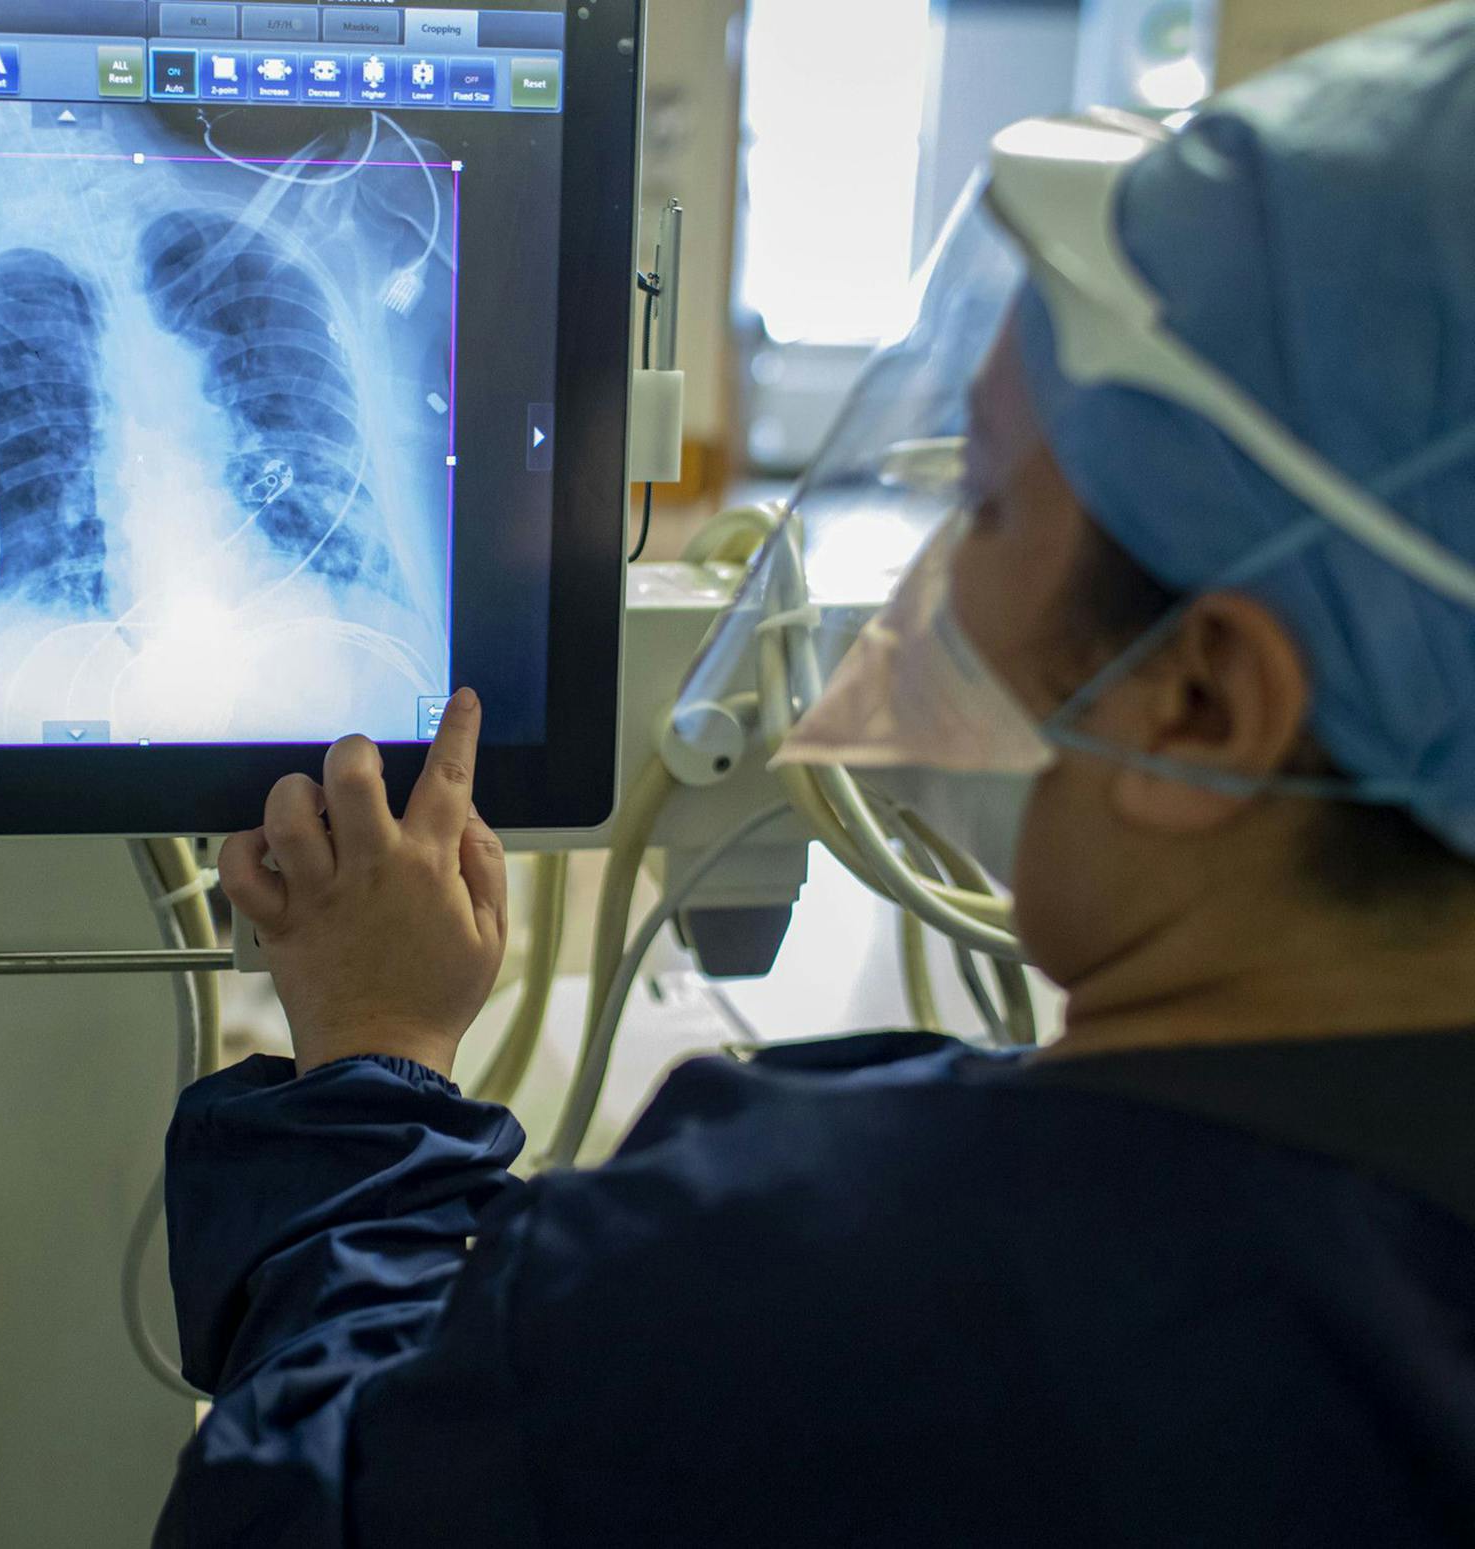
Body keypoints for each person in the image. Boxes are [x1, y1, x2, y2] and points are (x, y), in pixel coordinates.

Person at [156, 9, 1475, 1545]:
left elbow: (298, 1511)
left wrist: (370, 1059)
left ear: (1204, 703)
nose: (915, 606)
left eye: (980, 508)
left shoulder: (817, 1290)